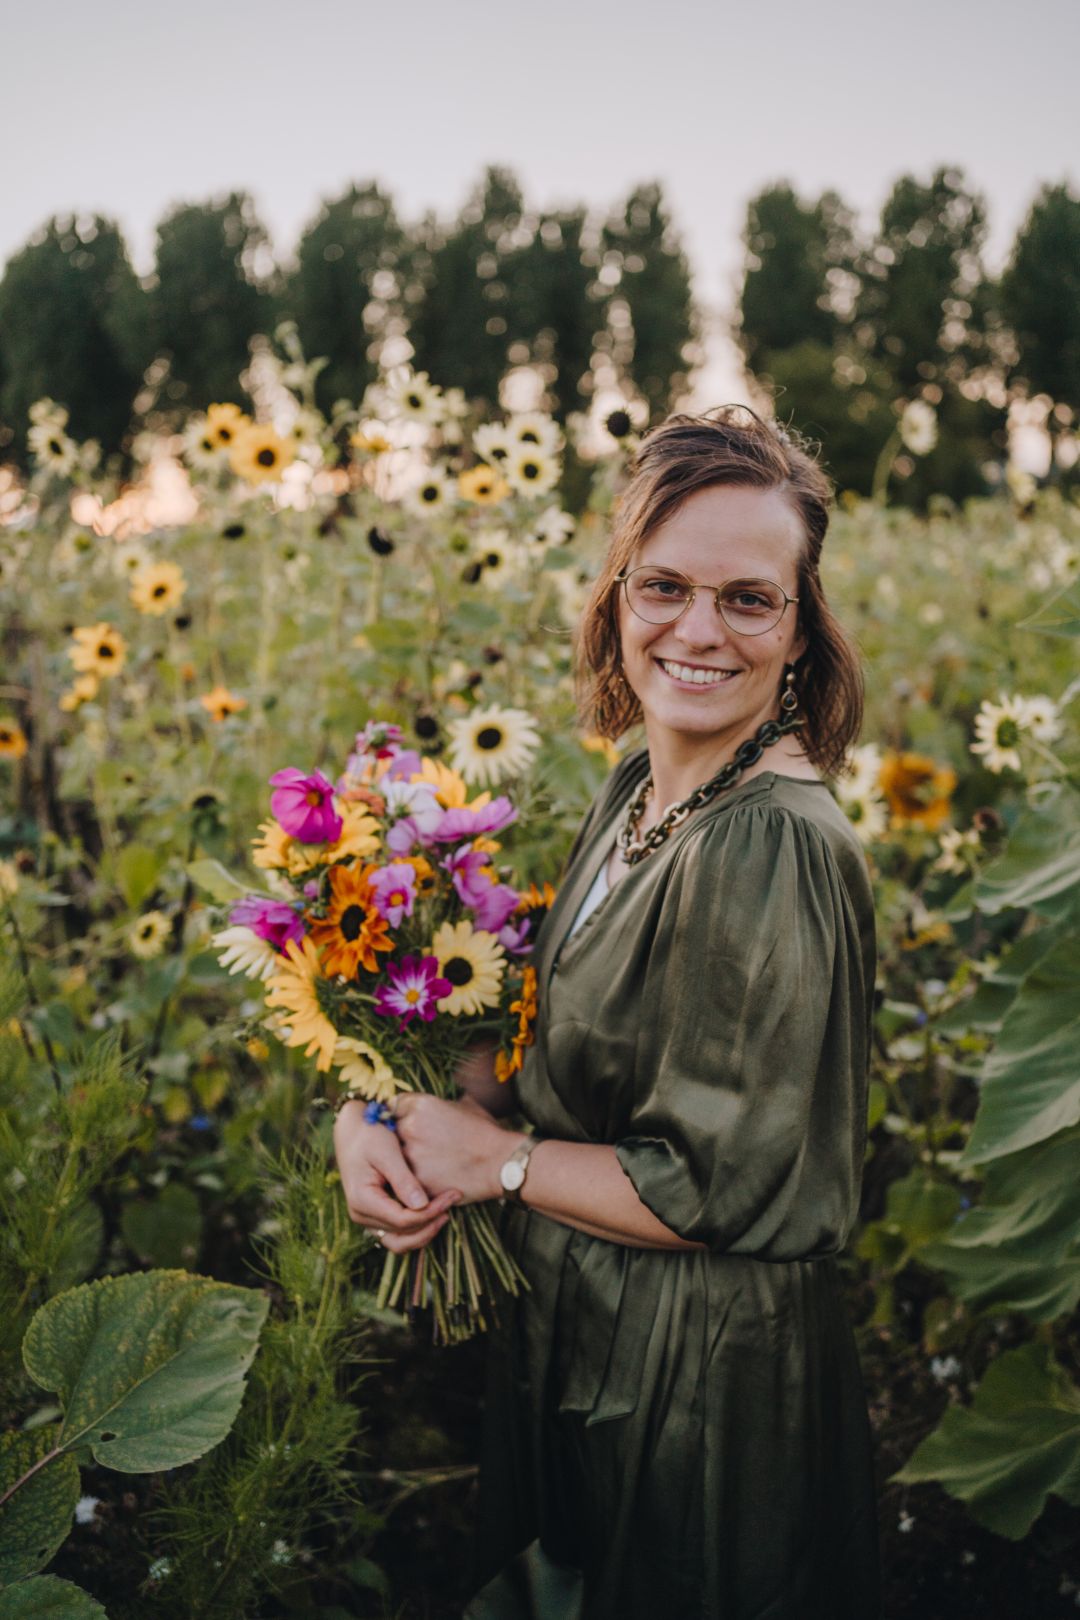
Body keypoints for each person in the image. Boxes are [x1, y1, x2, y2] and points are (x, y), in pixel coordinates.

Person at [333, 404, 883, 1619]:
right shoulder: (648, 782)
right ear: (617, 600)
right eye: (664, 587)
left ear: (801, 633)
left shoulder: (769, 849)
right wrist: (387, 1115)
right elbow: (557, 1047)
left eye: (750, 598)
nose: (698, 630)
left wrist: (500, 1163)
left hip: (700, 1384)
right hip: (587, 1328)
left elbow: (724, 1188)